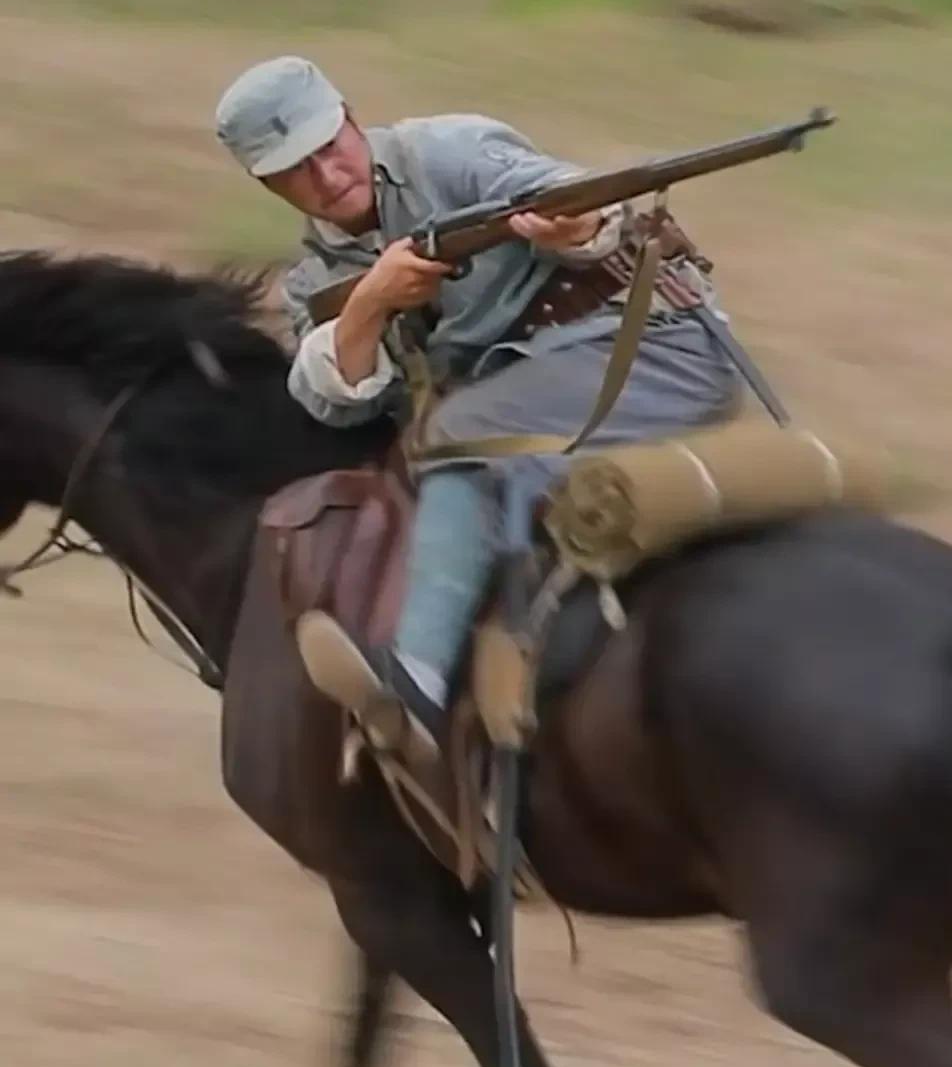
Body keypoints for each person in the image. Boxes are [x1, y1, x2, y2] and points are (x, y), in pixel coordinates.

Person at [215, 54, 739, 759]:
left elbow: (573, 197)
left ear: (350, 120)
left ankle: (416, 684)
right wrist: (371, 301)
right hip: (533, 397)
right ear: (266, 183)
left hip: (647, 353)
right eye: (294, 169)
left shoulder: (450, 150)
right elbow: (326, 399)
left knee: (458, 433)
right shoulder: (319, 277)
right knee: (449, 441)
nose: (326, 175)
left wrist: (574, 229)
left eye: (329, 148)